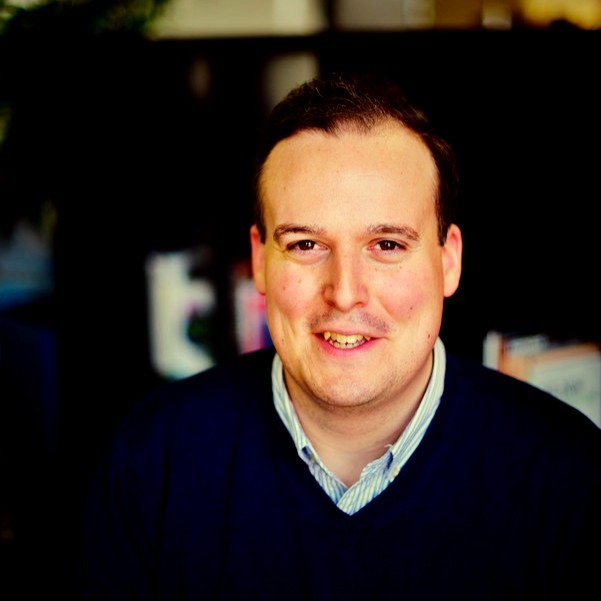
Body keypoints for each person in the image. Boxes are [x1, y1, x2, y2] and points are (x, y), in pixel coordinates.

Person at [78, 72, 600, 600]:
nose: (345, 294)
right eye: (306, 245)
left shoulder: (569, 476)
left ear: (449, 261)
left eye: (387, 245)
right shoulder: (154, 459)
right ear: (260, 259)